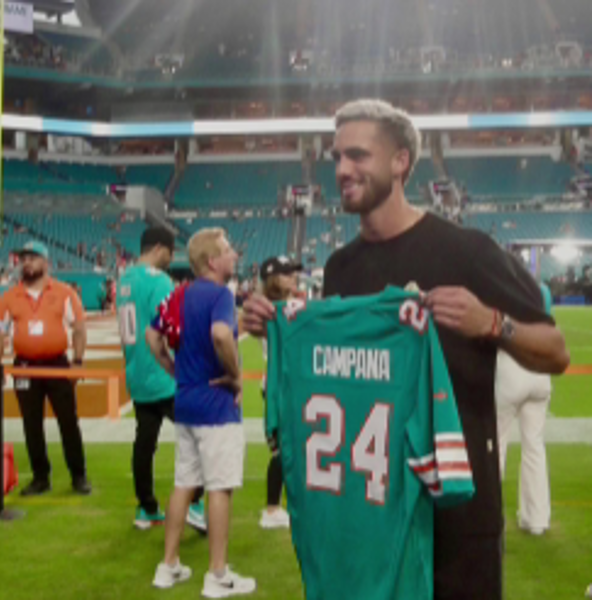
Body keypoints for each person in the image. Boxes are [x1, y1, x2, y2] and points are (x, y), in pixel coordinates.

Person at [243, 99, 569, 600]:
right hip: (375, 515)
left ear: (400, 161)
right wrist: (279, 333)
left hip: (458, 519)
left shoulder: (468, 251)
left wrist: (493, 323)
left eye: (357, 155)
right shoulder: (340, 269)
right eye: (335, 157)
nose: (342, 170)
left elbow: (556, 352)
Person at [147, 228, 256, 598]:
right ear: (212, 261)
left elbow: (152, 337)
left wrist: (173, 370)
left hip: (186, 402)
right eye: (226, 250)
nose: (233, 256)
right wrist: (237, 377)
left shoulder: (181, 294)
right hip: (216, 405)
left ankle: (169, 565)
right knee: (219, 487)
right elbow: (223, 335)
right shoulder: (221, 295)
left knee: (184, 483)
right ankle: (217, 574)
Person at [117, 227, 205, 531]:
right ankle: (194, 502)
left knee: (144, 441)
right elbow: (171, 327)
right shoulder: (159, 281)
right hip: (164, 374)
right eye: (169, 251)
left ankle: (146, 507)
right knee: (199, 436)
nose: (171, 258)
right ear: (159, 248)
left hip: (137, 373)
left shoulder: (124, 279)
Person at [0, 241, 92, 496]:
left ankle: (78, 475)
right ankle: (40, 477)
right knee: (31, 423)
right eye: (24, 258)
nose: (27, 262)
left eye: (33, 258)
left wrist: (77, 362)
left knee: (68, 420)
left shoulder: (64, 292)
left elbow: (79, 328)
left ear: (46, 262)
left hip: (57, 364)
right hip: (25, 365)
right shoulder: (8, 297)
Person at [496, 280, 554, 536]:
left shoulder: (502, 289)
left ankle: (489, 518)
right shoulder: (541, 291)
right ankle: (537, 520)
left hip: (511, 369)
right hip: (540, 372)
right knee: (534, 446)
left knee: (495, 447)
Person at [257, 255, 305, 530]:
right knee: (283, 449)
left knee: (293, 447)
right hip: (278, 387)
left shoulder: (279, 306)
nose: (294, 277)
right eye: (288, 274)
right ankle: (272, 508)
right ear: (275, 278)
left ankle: (280, 504)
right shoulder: (273, 310)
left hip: (285, 384)